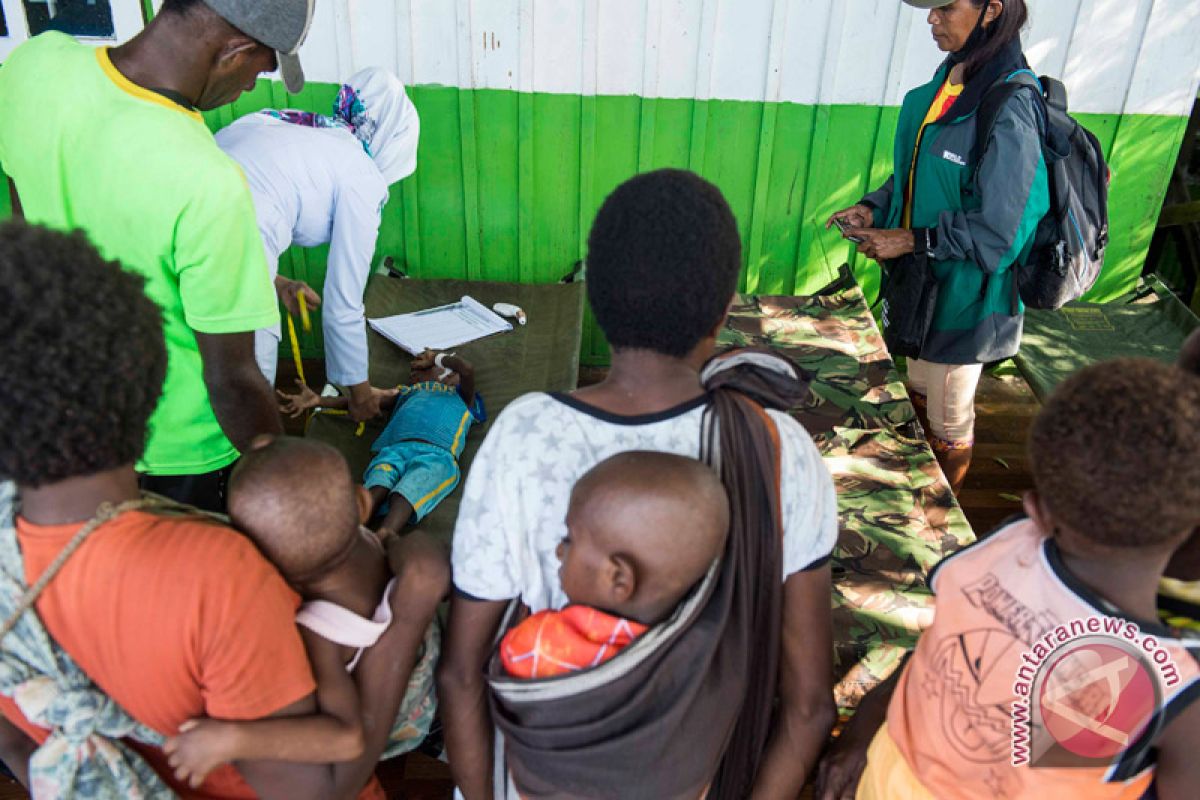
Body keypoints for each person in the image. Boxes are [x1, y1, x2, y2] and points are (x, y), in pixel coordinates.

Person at [0, 220, 441, 799]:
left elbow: (18, 741)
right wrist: (408, 615)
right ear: (148, 383)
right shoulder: (217, 577)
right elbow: (323, 790)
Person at [441, 169, 838, 799]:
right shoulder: (777, 448)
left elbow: (462, 675)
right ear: (725, 303)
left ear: (595, 297)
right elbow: (810, 707)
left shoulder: (525, 435)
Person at [816, 358, 1200, 800]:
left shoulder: (1007, 545)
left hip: (889, 780)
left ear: (1035, 507)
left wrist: (864, 723)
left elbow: (940, 644)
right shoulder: (1173, 687)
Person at [0, 0, 316, 510]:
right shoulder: (208, 181)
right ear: (234, 50)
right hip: (177, 453)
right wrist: (283, 475)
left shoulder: (32, 64)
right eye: (262, 68)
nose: (255, 85)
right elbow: (231, 378)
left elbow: (24, 224)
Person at [826, 0, 1048, 495]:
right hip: (922, 286)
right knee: (921, 393)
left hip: (966, 301)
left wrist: (909, 239)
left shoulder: (1010, 104)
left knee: (950, 422)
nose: (932, 19)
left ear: (991, 10)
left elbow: (1003, 230)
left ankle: (941, 524)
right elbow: (919, 176)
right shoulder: (950, 81)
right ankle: (918, 496)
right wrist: (874, 208)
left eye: (946, 8)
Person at [162, 437, 447, 789]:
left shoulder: (318, 632)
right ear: (361, 503)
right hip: (434, 659)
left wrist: (230, 738)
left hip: (402, 713)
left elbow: (345, 736)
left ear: (263, 560)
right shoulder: (375, 544)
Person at [214, 67, 421, 416]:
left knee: (191, 374)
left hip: (179, 232)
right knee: (247, 407)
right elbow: (342, 305)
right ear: (392, 137)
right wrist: (359, 397)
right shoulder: (361, 176)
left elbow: (233, 214)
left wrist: (276, 282)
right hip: (238, 260)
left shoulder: (289, 123)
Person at [500, 451, 729, 679]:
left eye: (569, 540)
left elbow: (510, 654)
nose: (560, 551)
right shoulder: (697, 655)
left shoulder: (537, 644)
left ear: (618, 578)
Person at [279, 349, 484, 539]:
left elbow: (466, 368)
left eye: (421, 369)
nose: (412, 373)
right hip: (394, 450)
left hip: (436, 456)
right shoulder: (405, 392)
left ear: (448, 375)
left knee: (408, 491)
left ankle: (383, 535)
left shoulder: (462, 397)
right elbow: (364, 402)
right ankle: (349, 530)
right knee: (377, 485)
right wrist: (318, 400)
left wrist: (437, 357)